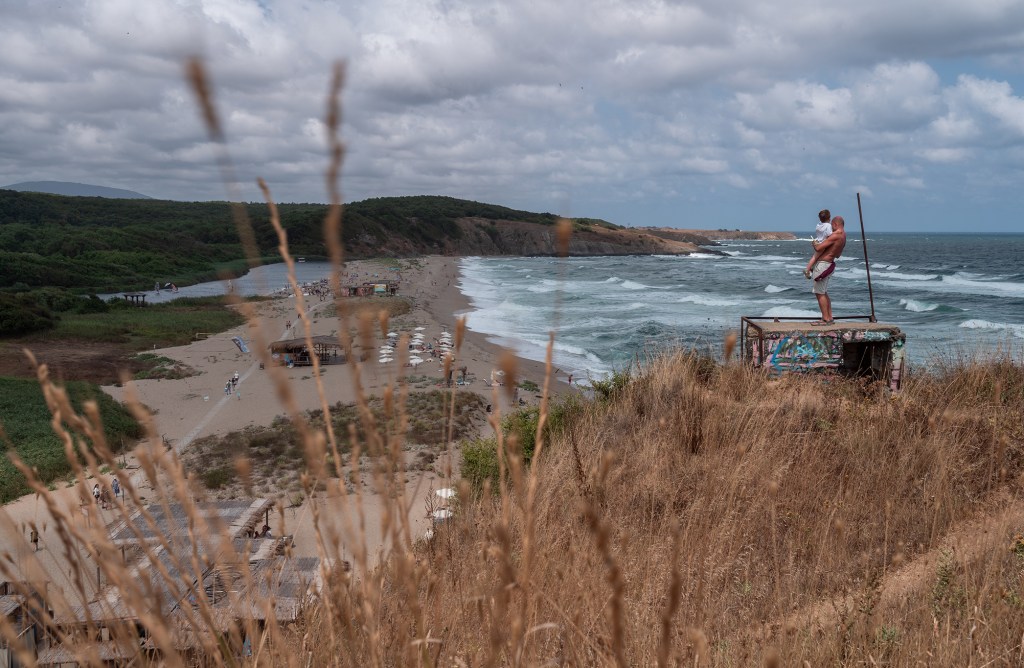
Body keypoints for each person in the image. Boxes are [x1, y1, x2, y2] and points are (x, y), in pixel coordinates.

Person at [809, 216, 847, 325]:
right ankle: (829, 317)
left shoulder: (835, 235)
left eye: (832, 226)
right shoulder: (844, 236)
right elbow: (838, 255)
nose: (831, 228)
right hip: (830, 264)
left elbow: (818, 248)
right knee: (823, 292)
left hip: (823, 265)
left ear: (835, 224)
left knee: (819, 293)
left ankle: (825, 319)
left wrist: (814, 243)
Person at [804, 209, 833, 278]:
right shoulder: (828, 226)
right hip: (823, 245)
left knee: (816, 257)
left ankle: (811, 268)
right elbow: (830, 235)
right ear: (829, 218)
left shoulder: (818, 224)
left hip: (817, 242)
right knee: (815, 257)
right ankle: (807, 270)